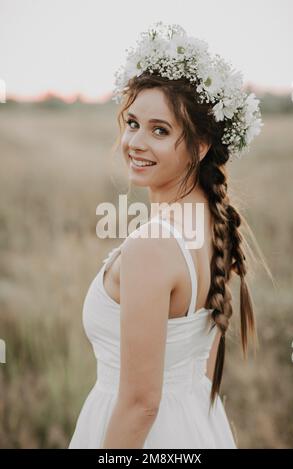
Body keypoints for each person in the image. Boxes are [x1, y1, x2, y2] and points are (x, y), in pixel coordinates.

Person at [68, 21, 270, 449]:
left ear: (199, 146)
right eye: (133, 123)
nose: (135, 142)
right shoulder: (216, 222)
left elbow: (141, 403)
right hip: (196, 425)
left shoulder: (151, 247)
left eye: (160, 130)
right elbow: (200, 360)